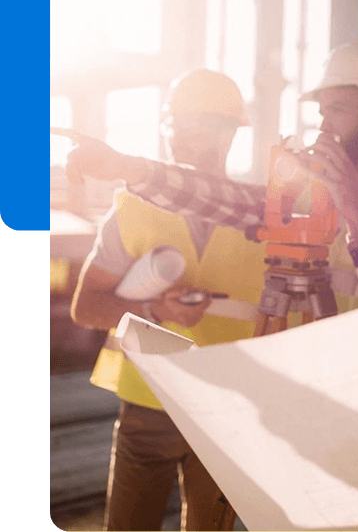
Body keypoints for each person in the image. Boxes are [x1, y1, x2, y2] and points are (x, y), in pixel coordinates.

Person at [66, 43, 358, 316]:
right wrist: (127, 167)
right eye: (321, 112)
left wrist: (355, 208)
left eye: (337, 111)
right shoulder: (311, 199)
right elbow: (222, 198)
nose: (323, 125)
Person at [70, 69, 266, 531]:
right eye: (176, 122)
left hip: (228, 406)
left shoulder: (262, 213)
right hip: (148, 401)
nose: (180, 133)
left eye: (196, 122)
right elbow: (86, 306)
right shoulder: (133, 208)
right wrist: (153, 310)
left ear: (227, 133)